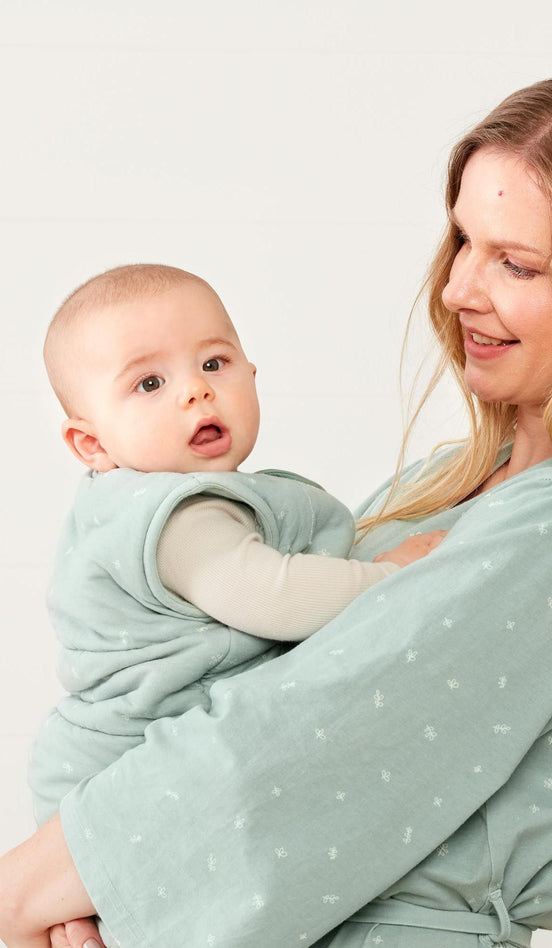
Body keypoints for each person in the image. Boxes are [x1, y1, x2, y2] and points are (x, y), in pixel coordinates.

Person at [0, 64, 552, 948]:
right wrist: (78, 898)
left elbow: (287, 752)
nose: (456, 291)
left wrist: (28, 896)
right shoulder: (453, 478)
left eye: (515, 263)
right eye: (462, 244)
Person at [29, 263, 444, 825]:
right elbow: (275, 596)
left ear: (251, 373)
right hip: (130, 766)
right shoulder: (178, 518)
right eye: (150, 383)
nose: (196, 389)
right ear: (91, 442)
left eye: (213, 363)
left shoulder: (127, 502)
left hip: (106, 763)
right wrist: (392, 572)